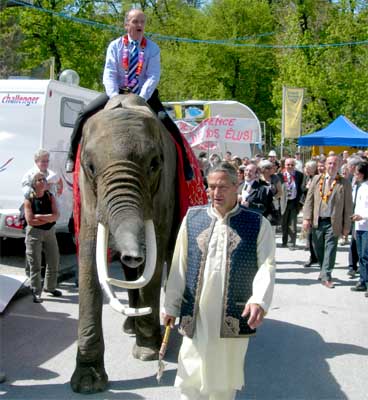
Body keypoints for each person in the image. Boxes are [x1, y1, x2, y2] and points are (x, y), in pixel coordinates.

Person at [162, 162, 275, 400]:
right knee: (191, 371)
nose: (215, 193)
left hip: (232, 315)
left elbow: (266, 265)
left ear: (237, 186)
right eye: (211, 187)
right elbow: (178, 265)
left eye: (222, 187)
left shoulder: (257, 224)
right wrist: (171, 305)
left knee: (223, 379)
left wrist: (259, 300)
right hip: (196, 313)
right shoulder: (192, 219)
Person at [65, 8, 193, 180]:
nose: (139, 25)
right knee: (83, 113)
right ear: (126, 25)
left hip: (144, 94)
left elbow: (153, 76)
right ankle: (72, 155)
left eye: (142, 22)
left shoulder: (152, 49)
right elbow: (109, 73)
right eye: (135, 21)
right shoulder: (115, 46)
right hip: (117, 92)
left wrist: (141, 98)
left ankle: (185, 163)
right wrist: (114, 96)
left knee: (166, 121)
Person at [303, 155, 352, 288]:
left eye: (335, 164)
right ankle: (323, 270)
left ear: (339, 165)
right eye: (330, 163)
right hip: (317, 221)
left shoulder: (344, 183)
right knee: (318, 248)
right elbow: (309, 200)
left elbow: (348, 206)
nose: (332, 166)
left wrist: (347, 226)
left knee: (330, 248)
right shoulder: (316, 179)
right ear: (325, 165)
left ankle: (327, 275)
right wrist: (306, 218)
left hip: (333, 222)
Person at [24, 172, 61, 303]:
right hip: (34, 233)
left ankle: (50, 287)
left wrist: (40, 217)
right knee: (35, 263)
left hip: (50, 232)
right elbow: (30, 221)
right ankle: (35, 290)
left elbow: (56, 215)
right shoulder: (29, 199)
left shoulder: (50, 196)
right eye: (40, 180)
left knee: (54, 260)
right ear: (34, 184)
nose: (44, 181)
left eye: (44, 179)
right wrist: (48, 218)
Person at [350, 162, 368, 293]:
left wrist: (362, 216)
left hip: (366, 225)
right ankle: (363, 280)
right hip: (359, 226)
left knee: (366, 255)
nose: (355, 175)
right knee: (361, 255)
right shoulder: (360, 187)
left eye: (357, 173)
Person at [279, 158, 304, 250]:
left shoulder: (299, 175)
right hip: (283, 202)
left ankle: (291, 243)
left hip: (294, 202)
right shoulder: (280, 175)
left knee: (292, 224)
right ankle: (284, 241)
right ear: (284, 165)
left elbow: (301, 189)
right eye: (288, 165)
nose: (290, 167)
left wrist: (301, 203)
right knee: (284, 223)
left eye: (292, 165)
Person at [301, 160, 319, 267]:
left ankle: (318, 256)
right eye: (306, 168)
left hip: (316, 209)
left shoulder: (317, 178)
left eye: (308, 168)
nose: (306, 170)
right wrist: (306, 187)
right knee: (310, 234)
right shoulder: (307, 177)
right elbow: (302, 189)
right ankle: (313, 257)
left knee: (316, 234)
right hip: (307, 207)